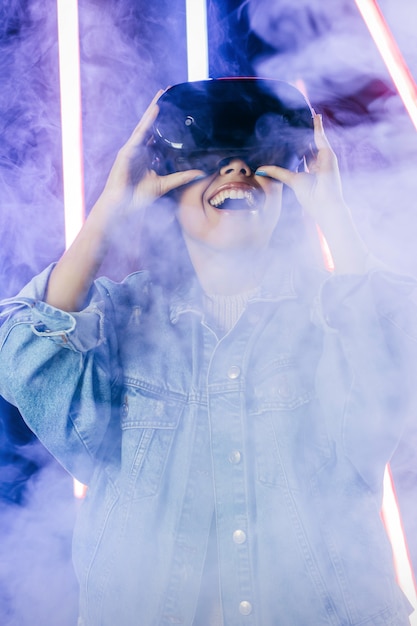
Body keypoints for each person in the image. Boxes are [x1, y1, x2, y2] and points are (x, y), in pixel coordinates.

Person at [0, 78, 415, 625]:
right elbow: (24, 354)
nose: (238, 170)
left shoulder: (332, 320)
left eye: (255, 159)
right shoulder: (124, 323)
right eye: (214, 158)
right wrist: (112, 207)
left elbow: (397, 356)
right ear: (170, 192)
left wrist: (333, 213)